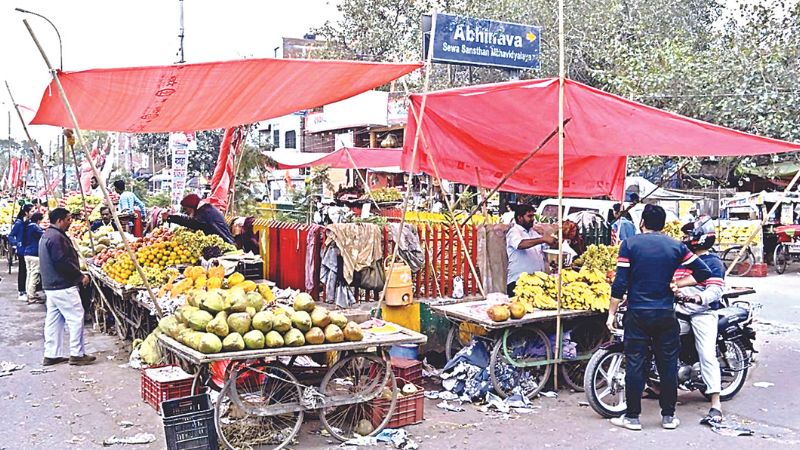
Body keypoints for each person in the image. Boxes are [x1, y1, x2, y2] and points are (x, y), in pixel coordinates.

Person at [607, 204, 713, 431]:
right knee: (667, 366)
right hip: (665, 314)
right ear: (663, 225)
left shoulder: (630, 244)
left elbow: (620, 283)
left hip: (638, 314)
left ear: (642, 222)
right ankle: (668, 417)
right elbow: (704, 273)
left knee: (635, 364)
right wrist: (678, 283)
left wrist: (611, 313)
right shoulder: (676, 246)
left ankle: (632, 417)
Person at [675, 219, 725, 424]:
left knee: (706, 353)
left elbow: (715, 290)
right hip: (679, 311)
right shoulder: (683, 260)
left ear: (700, 238)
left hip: (703, 313)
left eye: (688, 235)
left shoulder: (713, 262)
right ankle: (657, 385)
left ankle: (715, 404)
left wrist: (698, 298)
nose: (685, 239)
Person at [39, 207, 95, 366]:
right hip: (62, 285)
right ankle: (77, 354)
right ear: (60, 220)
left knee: (54, 321)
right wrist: (79, 276)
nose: (71, 222)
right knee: (76, 317)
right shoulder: (56, 238)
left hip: (51, 286)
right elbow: (62, 262)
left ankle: (51, 354)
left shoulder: (48, 235)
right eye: (68, 219)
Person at [506, 204, 558, 296]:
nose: (533, 219)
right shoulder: (514, 231)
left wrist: (553, 241)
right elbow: (520, 244)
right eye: (529, 216)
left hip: (536, 281)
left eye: (533, 216)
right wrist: (543, 239)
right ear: (520, 218)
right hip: (518, 282)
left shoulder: (533, 232)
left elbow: (545, 248)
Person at [167, 194, 235, 244]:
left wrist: (170, 217)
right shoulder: (205, 209)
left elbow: (192, 223)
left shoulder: (205, 212)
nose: (185, 212)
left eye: (185, 209)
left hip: (225, 243)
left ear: (191, 207)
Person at [8, 203, 33, 300]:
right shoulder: (19, 224)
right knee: (23, 271)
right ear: (26, 212)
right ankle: (21, 291)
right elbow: (10, 235)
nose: (33, 213)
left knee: (28, 271)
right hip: (22, 251)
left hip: (28, 250)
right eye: (32, 211)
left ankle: (27, 290)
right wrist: (16, 243)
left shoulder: (29, 222)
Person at [23, 212, 46, 304]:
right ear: (38, 220)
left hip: (27, 253)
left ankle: (29, 293)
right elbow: (44, 235)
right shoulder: (35, 227)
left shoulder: (28, 226)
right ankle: (31, 296)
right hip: (34, 254)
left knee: (29, 274)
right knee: (34, 275)